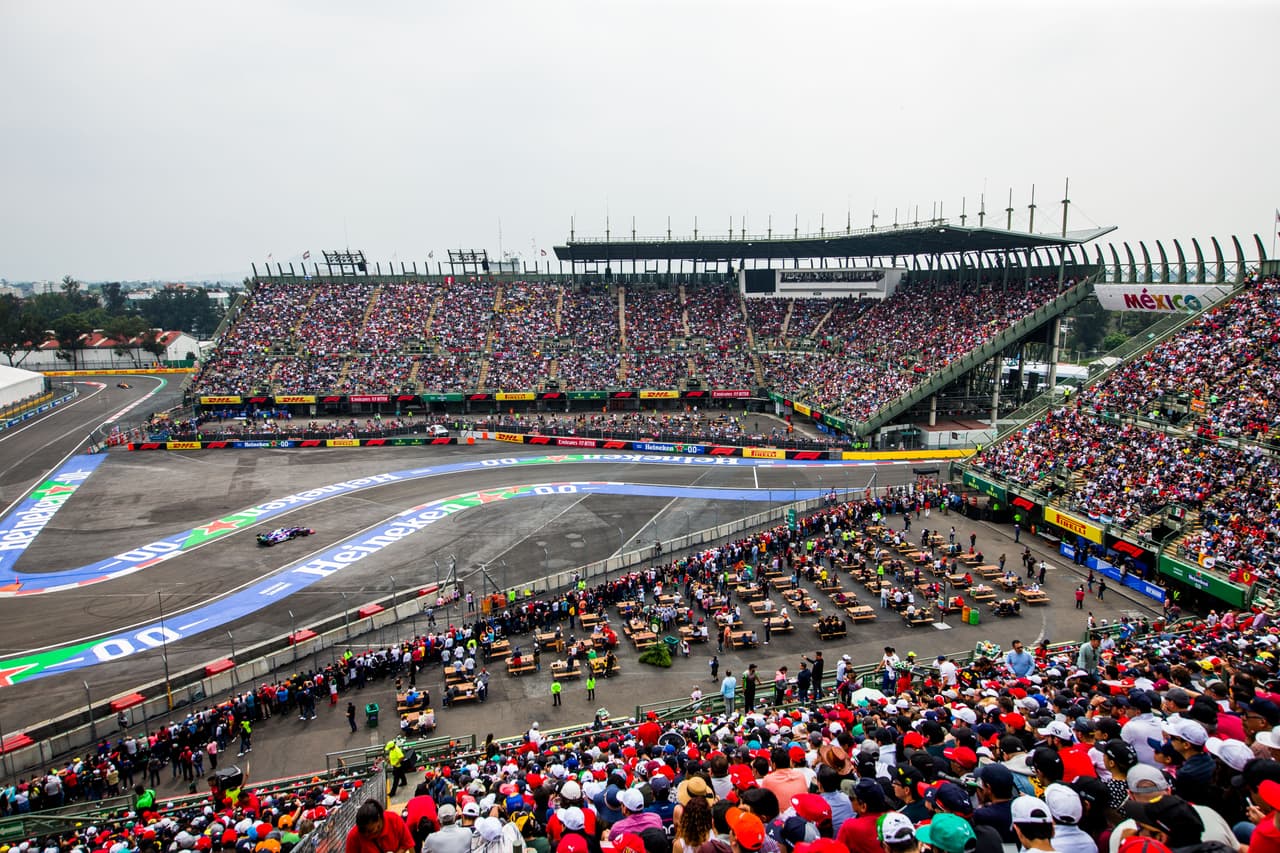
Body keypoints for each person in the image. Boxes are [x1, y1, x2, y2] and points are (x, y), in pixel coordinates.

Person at [346, 800, 414, 853]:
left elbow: (407, 843)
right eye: (363, 831)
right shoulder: (354, 836)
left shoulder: (394, 820)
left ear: (379, 820)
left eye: (370, 831)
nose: (366, 835)